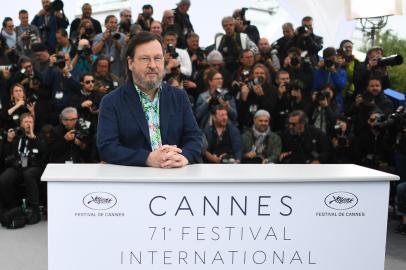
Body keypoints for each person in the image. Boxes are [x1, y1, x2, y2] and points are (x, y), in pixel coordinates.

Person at [97, 31, 202, 167]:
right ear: (130, 63)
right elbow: (107, 148)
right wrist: (147, 158)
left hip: (175, 178)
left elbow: (194, 138)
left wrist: (184, 157)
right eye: (145, 59)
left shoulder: (179, 97)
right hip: (134, 183)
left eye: (158, 58)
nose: (153, 65)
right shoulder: (111, 102)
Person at [0, 113, 46, 224]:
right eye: (26, 122)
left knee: (29, 174)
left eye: (30, 122)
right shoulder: (16, 137)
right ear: (21, 124)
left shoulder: (39, 136)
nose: (28, 124)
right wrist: (9, 141)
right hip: (18, 167)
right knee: (4, 177)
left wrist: (33, 138)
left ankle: (34, 208)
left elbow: (44, 153)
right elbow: (5, 156)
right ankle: (12, 207)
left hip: (34, 167)